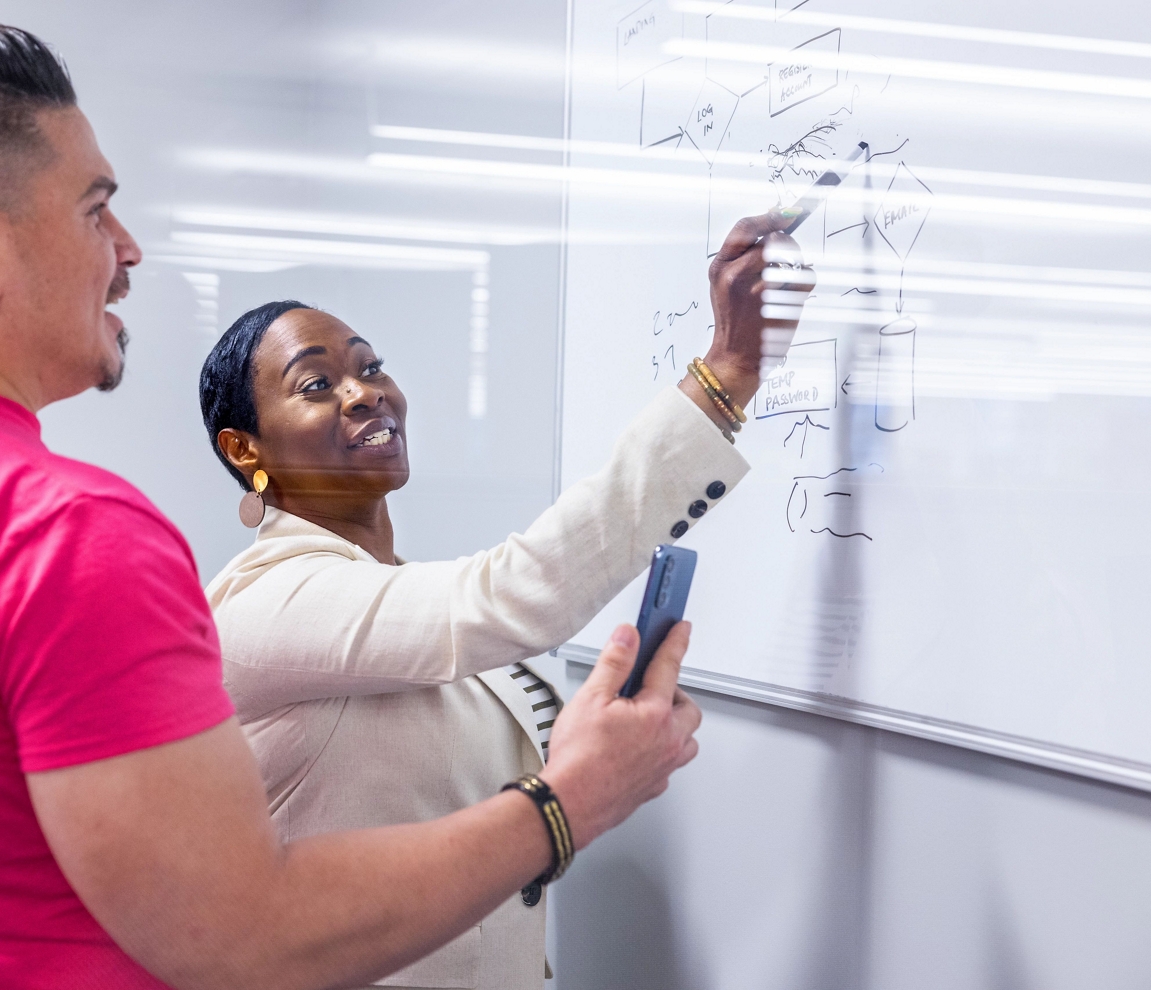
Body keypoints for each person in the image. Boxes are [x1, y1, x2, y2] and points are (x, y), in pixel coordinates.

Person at [0, 25, 708, 990]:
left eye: (369, 368)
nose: (128, 249)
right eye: (96, 210)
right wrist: (567, 804)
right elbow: (241, 935)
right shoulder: (56, 532)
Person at [199, 224, 811, 986]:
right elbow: (516, 596)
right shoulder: (268, 602)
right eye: (317, 385)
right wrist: (727, 374)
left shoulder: (395, 597)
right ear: (244, 450)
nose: (365, 393)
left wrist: (604, 728)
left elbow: (497, 795)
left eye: (371, 368)